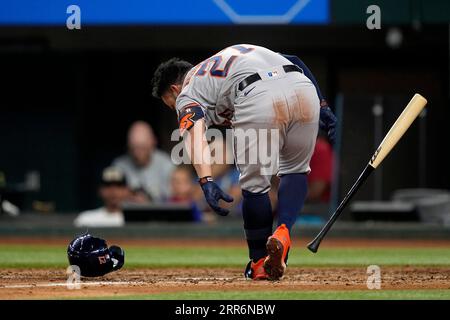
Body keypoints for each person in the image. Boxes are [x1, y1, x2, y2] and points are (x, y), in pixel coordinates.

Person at [151, 44, 336, 281]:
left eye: (170, 103)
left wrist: (206, 179)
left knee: (254, 186)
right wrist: (322, 105)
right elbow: (295, 60)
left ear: (175, 89)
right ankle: (283, 232)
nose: (174, 108)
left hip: (256, 93)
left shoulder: (187, 90)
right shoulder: (233, 54)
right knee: (295, 170)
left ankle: (259, 263)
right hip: (303, 87)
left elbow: (194, 132)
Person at [113, 121, 174, 203]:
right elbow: (112, 199)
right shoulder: (119, 166)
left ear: (153, 142)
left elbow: (174, 199)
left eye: (142, 148)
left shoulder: (166, 165)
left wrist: (150, 202)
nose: (137, 153)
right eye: (133, 148)